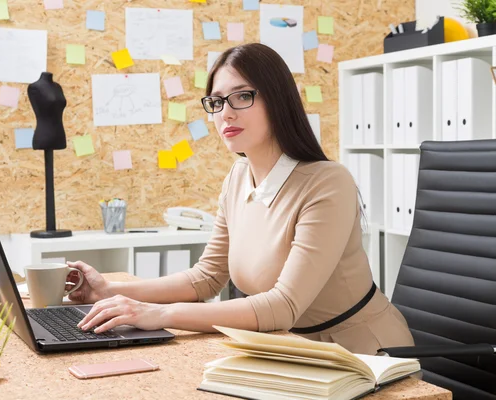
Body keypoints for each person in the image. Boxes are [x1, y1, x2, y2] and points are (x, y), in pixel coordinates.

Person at [65, 43, 414, 355]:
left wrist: (160, 314)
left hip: (359, 352)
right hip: (289, 348)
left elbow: (283, 306)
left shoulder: (327, 182)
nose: (225, 114)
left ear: (278, 100)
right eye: (216, 102)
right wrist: (109, 291)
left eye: (242, 96)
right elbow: (205, 277)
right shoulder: (237, 177)